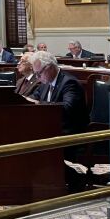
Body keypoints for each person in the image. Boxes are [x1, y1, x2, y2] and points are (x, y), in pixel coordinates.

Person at [28, 51, 90, 192]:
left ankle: (73, 177)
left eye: (39, 73)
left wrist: (39, 104)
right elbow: (33, 98)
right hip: (52, 128)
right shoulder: (45, 82)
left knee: (36, 143)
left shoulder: (69, 82)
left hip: (70, 130)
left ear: (50, 67)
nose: (37, 77)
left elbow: (68, 109)